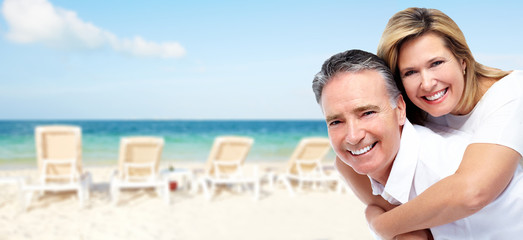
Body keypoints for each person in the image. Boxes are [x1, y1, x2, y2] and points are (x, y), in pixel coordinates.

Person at [334, 7, 523, 239]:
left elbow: (473, 192)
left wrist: (380, 224)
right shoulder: (418, 106)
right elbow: (349, 157)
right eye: (410, 72)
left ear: (463, 61)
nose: (427, 83)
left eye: (436, 63)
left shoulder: (512, 95)